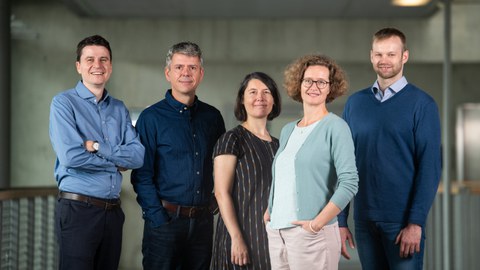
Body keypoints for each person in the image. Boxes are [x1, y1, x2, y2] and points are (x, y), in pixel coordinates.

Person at [338, 27, 442, 270]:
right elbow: (344, 165)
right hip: (364, 221)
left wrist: (416, 223)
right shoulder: (355, 104)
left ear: (404, 56)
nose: (384, 60)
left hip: (403, 223)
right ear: (371, 56)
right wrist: (341, 220)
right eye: (379, 54)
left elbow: (430, 167)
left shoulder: (422, 104)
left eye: (391, 54)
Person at [49, 35, 145, 270]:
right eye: (90, 59)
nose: (97, 65)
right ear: (79, 66)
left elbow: (137, 156)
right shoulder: (63, 104)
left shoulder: (119, 108)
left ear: (110, 67)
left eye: (104, 59)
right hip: (78, 211)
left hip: (112, 212)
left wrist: (97, 147)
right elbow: (71, 156)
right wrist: (115, 161)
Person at [131, 41, 226, 270]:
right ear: (168, 73)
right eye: (179, 67)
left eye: (192, 67)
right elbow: (142, 175)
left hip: (203, 225)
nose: (186, 73)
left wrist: (214, 204)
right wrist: (157, 218)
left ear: (200, 74)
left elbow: (224, 167)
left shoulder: (213, 118)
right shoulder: (151, 118)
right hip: (165, 222)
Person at [264, 54, 359, 270]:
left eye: (321, 82)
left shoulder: (336, 127)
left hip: (311, 235)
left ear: (330, 88)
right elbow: (282, 175)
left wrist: (316, 224)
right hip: (278, 232)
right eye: (308, 80)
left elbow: (349, 182)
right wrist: (270, 211)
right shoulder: (288, 129)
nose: (313, 86)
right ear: (299, 84)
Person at [210, 72, 282, 269]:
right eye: (253, 92)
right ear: (242, 100)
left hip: (271, 238)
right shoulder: (232, 139)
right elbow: (221, 193)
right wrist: (236, 237)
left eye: (266, 92)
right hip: (239, 238)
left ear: (274, 100)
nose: (260, 97)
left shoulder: (279, 145)